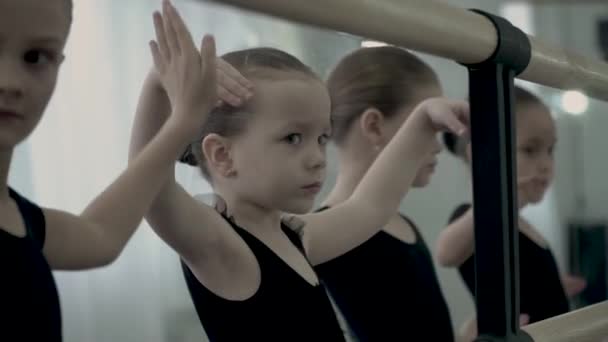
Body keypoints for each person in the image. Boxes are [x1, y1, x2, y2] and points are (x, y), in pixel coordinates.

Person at [129, 2, 469, 341]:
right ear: (222, 155)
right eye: (293, 138)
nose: (319, 158)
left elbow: (370, 207)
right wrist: (158, 84)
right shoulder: (224, 248)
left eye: (322, 138)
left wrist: (422, 120)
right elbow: (150, 192)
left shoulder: (294, 238)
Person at [0, 0, 219, 339]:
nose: (10, 82)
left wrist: (177, 111)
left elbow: (100, 235)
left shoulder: (15, 215)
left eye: (35, 57)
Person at [313, 46, 454, 341]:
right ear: (374, 126)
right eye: (428, 126)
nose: (439, 146)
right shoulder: (328, 238)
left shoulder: (404, 226)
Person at [436, 86, 584, 339]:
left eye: (550, 150)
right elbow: (445, 254)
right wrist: (497, 197)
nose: (546, 164)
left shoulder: (520, 223)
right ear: (481, 155)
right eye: (530, 149)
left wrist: (553, 287)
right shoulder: (476, 215)